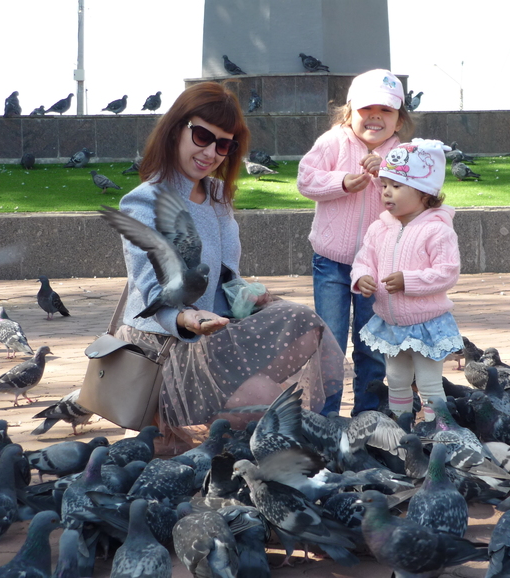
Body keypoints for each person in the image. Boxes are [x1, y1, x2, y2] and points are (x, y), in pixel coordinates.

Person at [114, 82, 345, 450]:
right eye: (202, 136)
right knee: (267, 400)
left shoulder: (217, 195)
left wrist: (248, 297)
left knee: (304, 321)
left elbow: (226, 278)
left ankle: (227, 412)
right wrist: (186, 318)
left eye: (223, 144)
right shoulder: (143, 200)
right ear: (175, 129)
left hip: (218, 334)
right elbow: (152, 294)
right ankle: (169, 420)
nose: (211, 153)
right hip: (166, 345)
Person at [297, 69, 415, 415]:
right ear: (349, 112)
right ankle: (325, 417)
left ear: (399, 119)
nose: (375, 116)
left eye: (386, 110)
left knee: (372, 343)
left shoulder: (404, 154)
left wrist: (387, 174)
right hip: (331, 262)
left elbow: (415, 200)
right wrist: (342, 182)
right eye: (367, 109)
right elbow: (306, 180)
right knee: (330, 342)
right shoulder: (332, 142)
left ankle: (370, 414)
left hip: (378, 267)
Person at [350, 139, 463, 422]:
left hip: (427, 323)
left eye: (396, 186)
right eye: (384, 185)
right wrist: (362, 277)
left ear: (425, 193)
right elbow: (364, 259)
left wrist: (409, 281)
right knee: (396, 379)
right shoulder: (379, 228)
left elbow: (447, 272)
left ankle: (440, 431)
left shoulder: (437, 231)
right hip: (391, 323)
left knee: (428, 383)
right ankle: (402, 431)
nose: (386, 192)